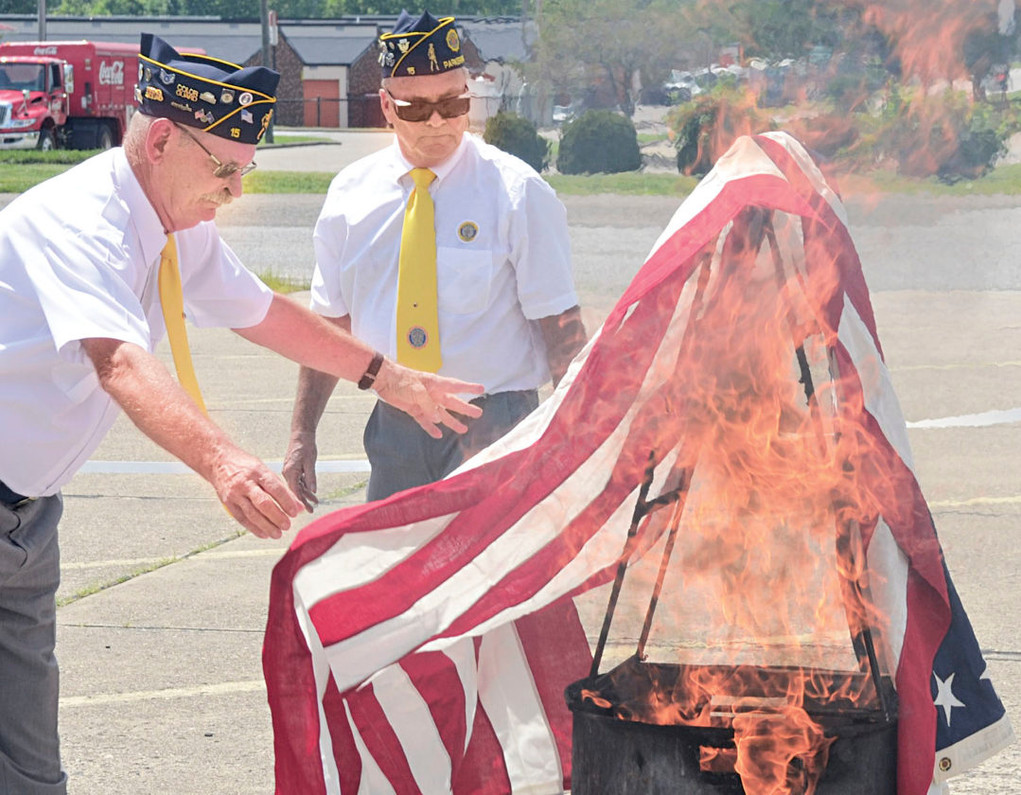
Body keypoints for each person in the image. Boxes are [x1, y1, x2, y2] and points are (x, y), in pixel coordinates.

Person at [0, 33, 483, 794]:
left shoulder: (174, 223)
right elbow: (118, 361)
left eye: (245, 173)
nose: (233, 193)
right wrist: (225, 461)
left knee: (27, 765)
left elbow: (259, 311)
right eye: (224, 168)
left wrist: (383, 375)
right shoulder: (78, 221)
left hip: (26, 522)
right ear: (161, 139)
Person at [283, 10, 587, 506]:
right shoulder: (350, 195)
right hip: (395, 430)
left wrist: (579, 438)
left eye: (453, 102)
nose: (440, 121)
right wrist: (302, 435)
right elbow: (330, 325)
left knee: (494, 576)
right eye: (417, 108)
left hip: (494, 425)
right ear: (385, 105)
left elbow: (561, 327)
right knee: (394, 574)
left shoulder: (516, 192)